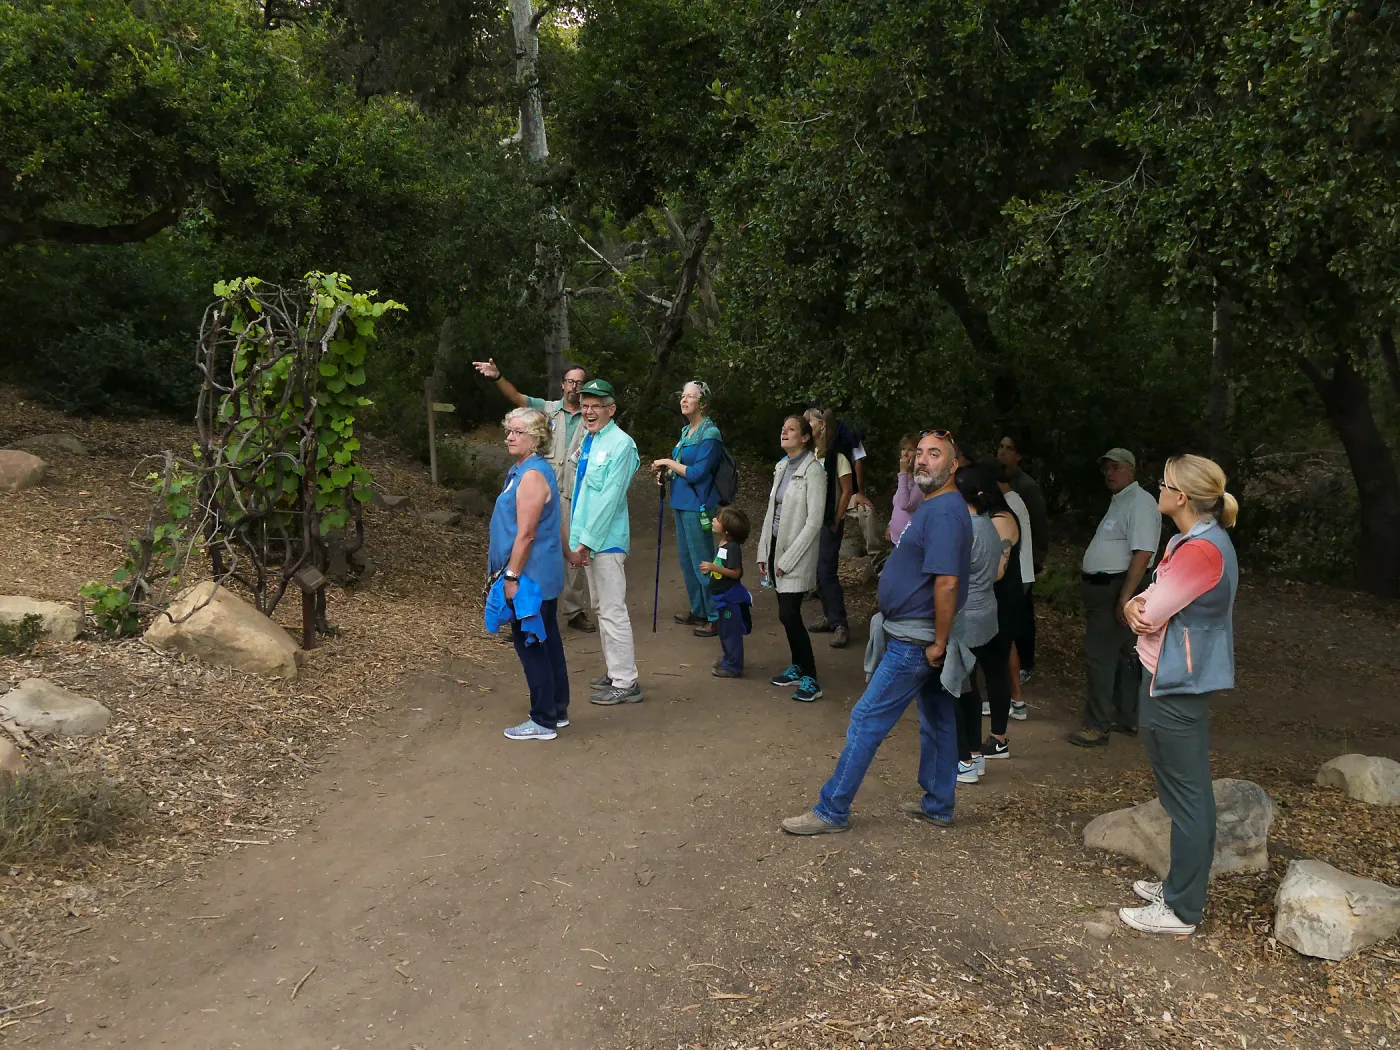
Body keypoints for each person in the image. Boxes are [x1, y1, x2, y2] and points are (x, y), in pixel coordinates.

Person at [781, 429, 971, 835]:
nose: (922, 460)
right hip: (917, 633)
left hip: (916, 640)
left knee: (866, 717)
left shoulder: (945, 512)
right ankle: (938, 804)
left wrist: (938, 641)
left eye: (934, 455)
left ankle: (832, 810)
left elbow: (948, 582)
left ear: (953, 465)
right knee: (937, 719)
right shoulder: (936, 505)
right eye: (919, 453)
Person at [1117, 455, 1239, 936]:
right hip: (1163, 677)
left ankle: (1183, 909)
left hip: (1177, 683)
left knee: (1189, 797)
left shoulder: (1201, 551)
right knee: (1176, 790)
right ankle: (1177, 887)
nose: (1158, 490)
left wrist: (1136, 605)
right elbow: (1146, 601)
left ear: (1181, 497)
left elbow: (1150, 612)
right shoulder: (1186, 541)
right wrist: (1137, 603)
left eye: (1163, 484)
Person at [473, 357, 596, 633]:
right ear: (562, 385)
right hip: (540, 491)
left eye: (579, 382)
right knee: (532, 547)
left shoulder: (591, 417)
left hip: (573, 494)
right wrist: (496, 376)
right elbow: (517, 398)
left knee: (567, 549)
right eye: (570, 381)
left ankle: (574, 609)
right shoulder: (547, 410)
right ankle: (522, 614)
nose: (574, 387)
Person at [1069, 448, 1163, 747]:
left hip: (1118, 587)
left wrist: (1125, 597)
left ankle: (1097, 725)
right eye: (1107, 468)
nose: (1110, 473)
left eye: (1116, 468)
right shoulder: (1121, 501)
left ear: (1131, 471)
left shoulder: (1141, 502)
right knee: (1124, 655)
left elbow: (1144, 552)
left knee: (1100, 655)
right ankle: (1126, 717)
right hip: (1107, 588)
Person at [484, 408, 569, 741]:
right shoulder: (523, 470)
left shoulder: (532, 475)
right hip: (537, 573)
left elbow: (528, 532)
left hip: (530, 577)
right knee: (547, 640)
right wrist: (570, 554)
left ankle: (543, 719)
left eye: (518, 431)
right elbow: (555, 523)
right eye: (508, 430)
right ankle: (557, 710)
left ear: (536, 438)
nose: (510, 436)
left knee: (530, 642)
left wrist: (512, 576)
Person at [567, 379, 643, 706]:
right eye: (585, 405)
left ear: (611, 409)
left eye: (595, 405)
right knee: (600, 607)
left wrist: (584, 542)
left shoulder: (622, 444)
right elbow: (584, 493)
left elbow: (610, 498)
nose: (588, 411)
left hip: (605, 542)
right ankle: (615, 672)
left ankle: (627, 681)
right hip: (588, 539)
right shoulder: (590, 439)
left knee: (612, 609)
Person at [953, 465, 1021, 780]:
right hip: (988, 602)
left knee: (979, 674)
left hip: (996, 602)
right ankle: (983, 746)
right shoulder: (985, 521)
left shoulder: (998, 522)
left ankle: (992, 741)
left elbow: (997, 571)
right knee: (979, 674)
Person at [758, 416, 827, 702]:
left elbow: (814, 521)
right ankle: (798, 666)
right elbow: (770, 512)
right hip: (777, 546)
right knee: (786, 614)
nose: (784, 432)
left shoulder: (814, 471)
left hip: (796, 553)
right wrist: (765, 551)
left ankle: (811, 677)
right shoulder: (782, 467)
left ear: (805, 438)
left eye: (791, 429)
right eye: (783, 428)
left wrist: (788, 559)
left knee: (789, 613)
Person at [650, 381, 723, 638]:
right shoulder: (686, 432)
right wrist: (666, 474)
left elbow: (698, 473)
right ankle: (699, 609)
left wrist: (669, 462)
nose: (684, 400)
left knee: (703, 559)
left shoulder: (710, 434)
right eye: (683, 395)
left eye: (690, 396)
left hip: (698, 506)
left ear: (702, 404)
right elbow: (680, 469)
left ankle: (715, 616)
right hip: (680, 503)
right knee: (686, 559)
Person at [997, 431, 1049, 678]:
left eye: (1009, 448)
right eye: (1001, 447)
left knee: (1022, 615)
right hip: (1004, 560)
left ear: (1018, 456)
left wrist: (1037, 559)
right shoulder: (995, 481)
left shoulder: (1027, 487)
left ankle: (1025, 664)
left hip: (1023, 562)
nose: (1003, 452)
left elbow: (1039, 525)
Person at [804, 407, 854, 648]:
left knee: (826, 571)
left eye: (810, 422)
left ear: (822, 426)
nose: (807, 426)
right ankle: (829, 616)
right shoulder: (811, 454)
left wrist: (837, 518)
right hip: (811, 520)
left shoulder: (838, 457)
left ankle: (840, 623)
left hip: (828, 520)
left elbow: (847, 490)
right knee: (818, 571)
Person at [996, 465, 1034, 722]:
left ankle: (1013, 700)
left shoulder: (1007, 507)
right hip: (1016, 578)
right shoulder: (1010, 503)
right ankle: (1009, 699)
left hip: (1013, 580)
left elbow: (1001, 559)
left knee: (1003, 637)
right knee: (1004, 637)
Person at [701, 506, 752, 678]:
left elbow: (736, 573)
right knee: (724, 631)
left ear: (728, 529)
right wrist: (711, 570)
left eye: (718, 519)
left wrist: (713, 567)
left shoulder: (733, 548)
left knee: (731, 633)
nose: (714, 520)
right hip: (721, 598)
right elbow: (722, 566)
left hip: (730, 600)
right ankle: (728, 659)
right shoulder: (723, 544)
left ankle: (733, 666)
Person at [888, 433, 923, 544]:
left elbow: (905, 504)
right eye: (903, 449)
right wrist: (891, 524)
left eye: (910, 450)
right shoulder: (906, 477)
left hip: (910, 542)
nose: (905, 453)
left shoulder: (921, 479)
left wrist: (903, 472)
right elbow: (897, 504)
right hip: (896, 538)